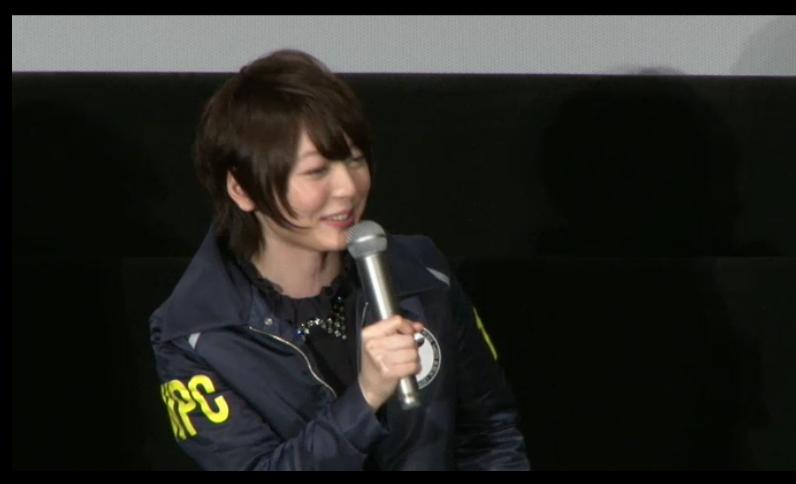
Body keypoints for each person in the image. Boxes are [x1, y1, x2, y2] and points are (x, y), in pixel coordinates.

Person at [149, 49, 529, 471]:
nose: (348, 187)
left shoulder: (419, 271)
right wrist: (365, 397)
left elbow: (490, 433)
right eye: (317, 171)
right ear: (242, 189)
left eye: (354, 160)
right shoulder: (196, 333)